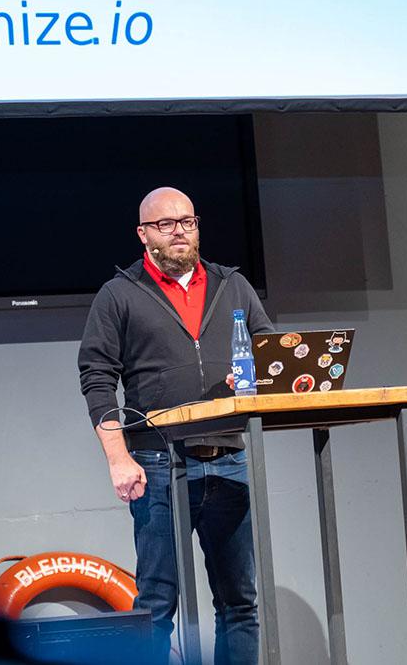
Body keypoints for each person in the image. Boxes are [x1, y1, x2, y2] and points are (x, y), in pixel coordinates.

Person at [77, 187, 274, 665]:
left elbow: (270, 351)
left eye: (187, 221)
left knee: (239, 603)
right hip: (159, 463)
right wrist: (118, 459)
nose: (180, 231)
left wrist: (256, 375)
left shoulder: (232, 285)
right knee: (156, 604)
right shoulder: (119, 295)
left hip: (228, 458)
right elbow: (97, 377)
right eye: (166, 224)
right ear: (143, 234)